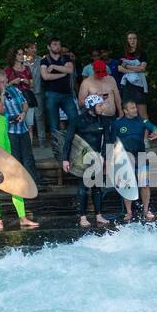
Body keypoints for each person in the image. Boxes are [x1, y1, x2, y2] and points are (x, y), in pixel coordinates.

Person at [0, 85, 38, 232]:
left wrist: (11, 158)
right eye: (2, 105)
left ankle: (23, 219)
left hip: (6, 161)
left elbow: (6, 140)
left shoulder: (3, 120)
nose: (4, 106)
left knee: (16, 188)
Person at [0, 71, 41, 200]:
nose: (4, 84)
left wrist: (24, 113)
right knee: (15, 158)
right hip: (8, 131)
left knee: (28, 157)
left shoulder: (14, 89)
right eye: (1, 82)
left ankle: (34, 184)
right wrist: (2, 93)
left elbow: (24, 103)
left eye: (5, 81)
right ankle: (18, 186)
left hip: (22, 128)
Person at [63, 95, 112, 227]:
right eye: (100, 105)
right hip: (81, 158)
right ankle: (83, 217)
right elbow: (68, 140)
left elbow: (107, 140)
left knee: (97, 188)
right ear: (91, 107)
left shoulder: (104, 120)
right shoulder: (77, 120)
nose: (103, 107)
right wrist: (65, 159)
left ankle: (98, 215)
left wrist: (105, 158)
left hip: (97, 157)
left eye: (103, 105)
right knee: (83, 188)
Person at [109, 101, 157, 221]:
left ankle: (146, 210)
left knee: (145, 184)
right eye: (132, 108)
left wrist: (156, 132)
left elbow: (154, 127)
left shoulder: (142, 120)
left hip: (141, 156)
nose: (135, 110)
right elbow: (111, 142)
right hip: (125, 159)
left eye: (135, 108)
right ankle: (129, 212)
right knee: (127, 184)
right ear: (125, 111)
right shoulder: (117, 124)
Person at [39, 36, 79, 156]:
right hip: (52, 94)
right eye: (55, 44)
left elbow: (70, 70)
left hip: (67, 95)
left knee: (74, 119)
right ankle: (57, 151)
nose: (57, 46)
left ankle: (72, 144)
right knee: (54, 124)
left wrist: (55, 67)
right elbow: (45, 76)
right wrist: (62, 74)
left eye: (59, 44)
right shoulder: (44, 60)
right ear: (49, 47)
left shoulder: (65, 57)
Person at [117, 33, 150, 126]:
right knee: (128, 113)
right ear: (127, 40)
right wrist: (135, 69)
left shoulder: (142, 53)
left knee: (142, 113)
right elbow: (119, 68)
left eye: (134, 38)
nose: (132, 40)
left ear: (137, 39)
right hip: (127, 86)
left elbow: (142, 68)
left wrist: (127, 66)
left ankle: (146, 138)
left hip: (139, 86)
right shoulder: (123, 53)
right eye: (130, 38)